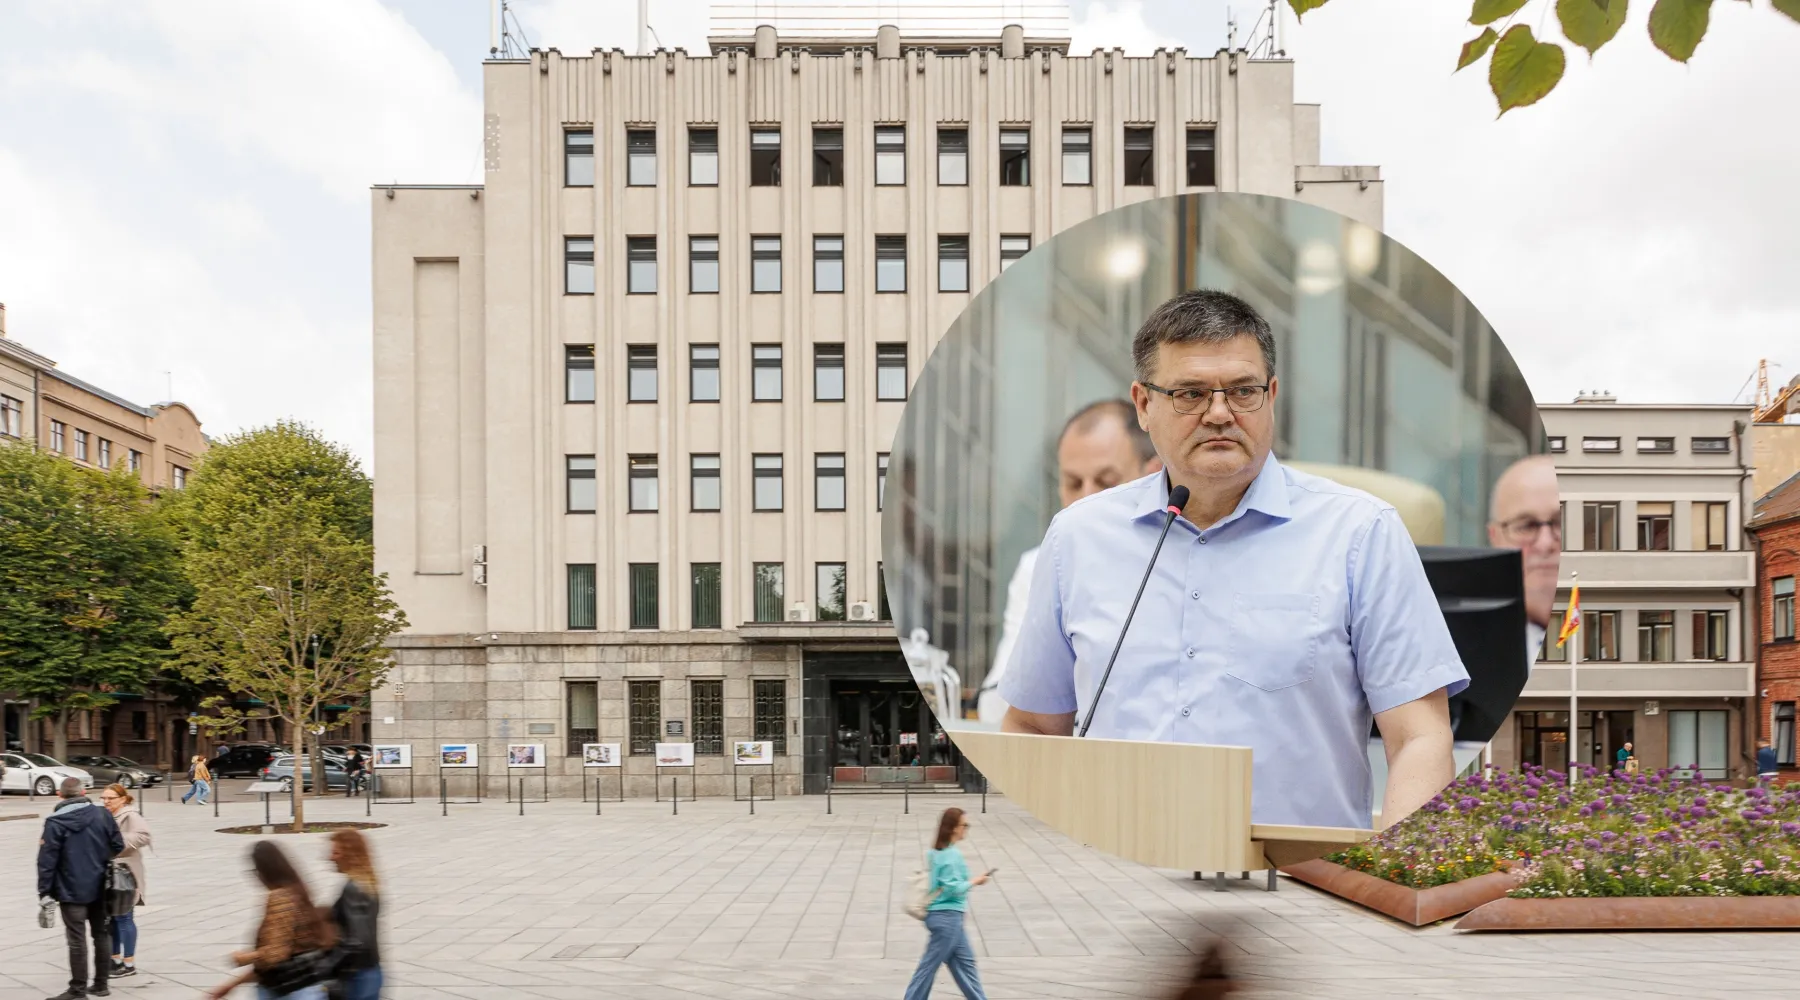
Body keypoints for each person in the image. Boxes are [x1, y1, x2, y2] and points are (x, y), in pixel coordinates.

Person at [1000, 289, 1468, 831]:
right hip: (1113, 877)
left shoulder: (1361, 533)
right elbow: (1033, 726)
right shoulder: (1078, 538)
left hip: (1296, 887)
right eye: (1191, 394)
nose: (1219, 413)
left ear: (1271, 396)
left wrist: (1383, 877)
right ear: (1144, 405)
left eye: (1242, 391)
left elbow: (1420, 738)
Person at [978, 399, 1163, 723]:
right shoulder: (1040, 566)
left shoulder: (1180, 557)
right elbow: (997, 708)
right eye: (1073, 483)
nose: (1086, 499)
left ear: (1153, 474)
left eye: (1106, 483)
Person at [207, 841, 335, 1000]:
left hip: (286, 991)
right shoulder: (301, 894)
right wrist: (233, 984)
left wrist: (243, 958)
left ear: (263, 871)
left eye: (255, 871)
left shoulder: (279, 898)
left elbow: (275, 954)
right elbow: (289, 953)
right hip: (309, 987)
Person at [37, 776, 125, 1000]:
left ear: (60, 795)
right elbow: (118, 845)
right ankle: (101, 985)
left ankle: (77, 990)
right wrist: (99, 860)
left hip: (70, 888)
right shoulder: (103, 814)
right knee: (101, 934)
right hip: (100, 886)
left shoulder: (54, 822)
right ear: (84, 793)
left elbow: (47, 861)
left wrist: (45, 893)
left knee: (77, 939)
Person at [1485, 455, 1563, 667]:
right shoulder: (1457, 654)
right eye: (1526, 526)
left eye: (1563, 522)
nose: (1546, 543)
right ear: (1495, 537)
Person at [904, 808, 989, 1000]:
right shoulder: (951, 855)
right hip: (947, 917)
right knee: (928, 966)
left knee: (965, 965)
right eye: (963, 825)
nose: (966, 828)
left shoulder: (937, 852)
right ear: (953, 828)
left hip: (948, 917)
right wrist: (976, 881)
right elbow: (952, 889)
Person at [98, 784, 151, 980]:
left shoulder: (131, 816)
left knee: (124, 917)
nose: (106, 802)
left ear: (123, 799)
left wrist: (116, 842)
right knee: (111, 919)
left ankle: (129, 963)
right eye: (103, 798)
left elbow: (143, 836)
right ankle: (116, 959)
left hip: (125, 874)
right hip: (108, 873)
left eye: (110, 798)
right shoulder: (106, 815)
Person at [324, 830, 384, 1000]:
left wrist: (324, 966)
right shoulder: (369, 884)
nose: (331, 857)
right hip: (370, 972)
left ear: (351, 855)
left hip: (357, 977)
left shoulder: (353, 888)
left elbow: (357, 940)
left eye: (336, 852)